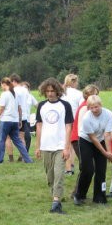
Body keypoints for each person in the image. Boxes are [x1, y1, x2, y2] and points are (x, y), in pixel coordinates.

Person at [35, 78, 74, 214]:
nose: (50, 94)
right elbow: (39, 126)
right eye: (47, 91)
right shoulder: (41, 106)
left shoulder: (65, 106)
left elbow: (68, 127)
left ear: (58, 91)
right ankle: (55, 196)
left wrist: (66, 147)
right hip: (46, 145)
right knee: (50, 175)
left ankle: (56, 202)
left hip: (60, 146)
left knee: (59, 174)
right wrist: (37, 146)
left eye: (52, 91)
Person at [73, 95, 112, 205]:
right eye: (91, 108)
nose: (94, 110)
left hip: (101, 139)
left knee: (101, 170)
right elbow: (93, 138)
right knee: (88, 169)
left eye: (96, 107)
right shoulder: (87, 118)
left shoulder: (108, 115)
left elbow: (107, 135)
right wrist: (104, 152)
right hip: (86, 140)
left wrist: (109, 153)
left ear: (100, 105)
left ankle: (100, 196)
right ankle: (79, 195)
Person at [0, 77, 33, 164]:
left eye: (1, 85)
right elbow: (19, 109)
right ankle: (28, 159)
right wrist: (19, 120)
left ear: (3, 84)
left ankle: (0, 160)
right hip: (15, 121)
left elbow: (1, 109)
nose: (1, 87)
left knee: (1, 140)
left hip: (5, 121)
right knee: (18, 141)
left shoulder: (4, 94)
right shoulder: (15, 94)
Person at [70, 84, 99, 198]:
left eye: (97, 95)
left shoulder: (89, 107)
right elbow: (83, 128)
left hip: (83, 140)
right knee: (87, 168)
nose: (96, 97)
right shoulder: (84, 108)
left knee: (86, 167)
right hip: (79, 140)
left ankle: (78, 192)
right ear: (87, 96)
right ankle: (78, 193)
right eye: (93, 95)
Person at [6, 74, 33, 160]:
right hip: (24, 117)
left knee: (8, 137)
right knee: (22, 137)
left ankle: (11, 158)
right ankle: (22, 156)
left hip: (15, 117)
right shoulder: (25, 90)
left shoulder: (13, 90)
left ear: (13, 81)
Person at [62, 74, 83, 175]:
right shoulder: (79, 93)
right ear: (74, 82)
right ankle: (71, 165)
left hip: (62, 120)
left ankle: (68, 167)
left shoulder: (61, 93)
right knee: (72, 144)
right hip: (74, 120)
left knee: (65, 144)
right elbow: (81, 108)